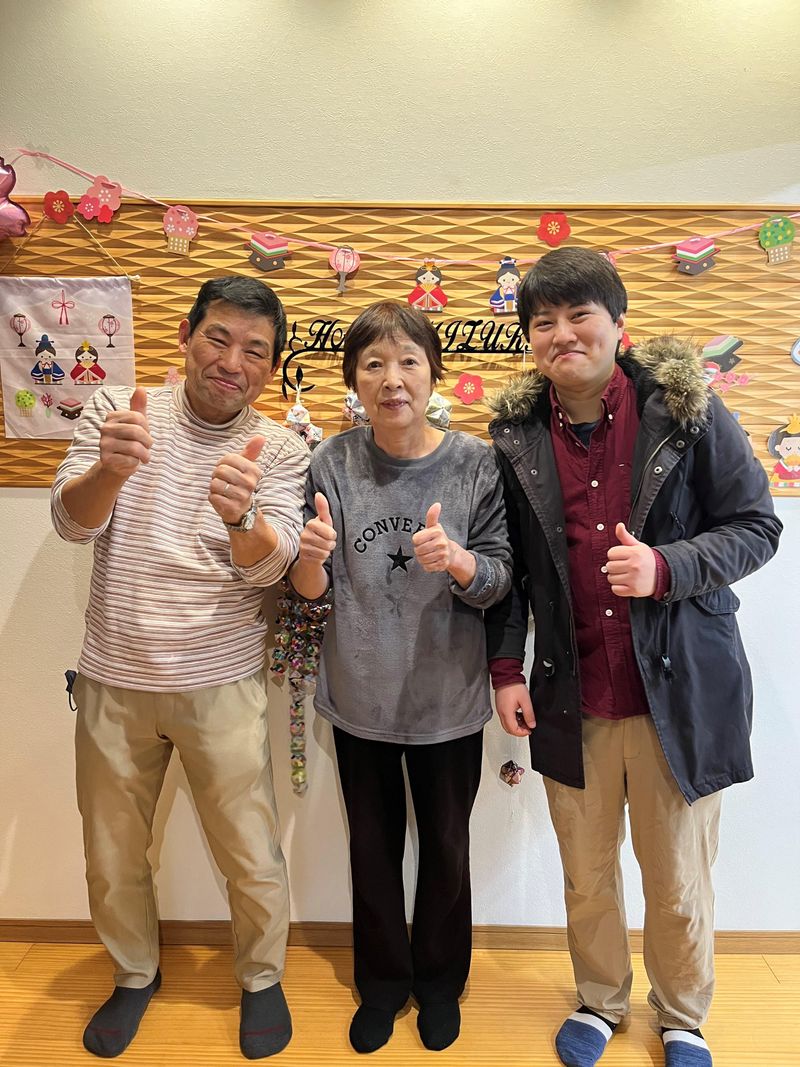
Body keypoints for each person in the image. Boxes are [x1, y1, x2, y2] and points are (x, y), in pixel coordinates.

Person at [484, 247, 782, 1067]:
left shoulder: (686, 412)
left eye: (579, 314)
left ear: (619, 324)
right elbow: (511, 569)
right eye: (543, 321)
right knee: (586, 874)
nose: (562, 333)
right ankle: (599, 1000)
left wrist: (667, 566)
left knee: (677, 876)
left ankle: (682, 1016)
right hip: (571, 692)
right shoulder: (515, 438)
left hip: (676, 694)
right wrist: (506, 668)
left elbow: (758, 526)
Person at [51, 275, 309, 1060]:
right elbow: (70, 524)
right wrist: (111, 470)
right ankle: (134, 972)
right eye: (218, 338)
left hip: (221, 682)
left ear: (272, 367)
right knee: (111, 851)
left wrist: (241, 516)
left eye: (255, 350)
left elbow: (272, 569)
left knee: (250, 851)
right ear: (186, 338)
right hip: (113, 675)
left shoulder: (281, 447)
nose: (232, 361)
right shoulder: (118, 410)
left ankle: (261, 977)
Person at [289, 300, 511, 1053]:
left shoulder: (476, 463)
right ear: (354, 381)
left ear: (433, 373)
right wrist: (309, 559)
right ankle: (382, 984)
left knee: (447, 846)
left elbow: (501, 579)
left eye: (408, 361)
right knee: (372, 847)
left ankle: (441, 983)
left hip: (448, 699)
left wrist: (461, 562)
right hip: (360, 697)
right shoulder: (332, 462)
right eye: (374, 365)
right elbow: (309, 591)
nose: (392, 379)